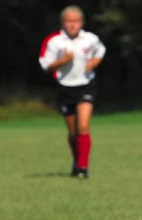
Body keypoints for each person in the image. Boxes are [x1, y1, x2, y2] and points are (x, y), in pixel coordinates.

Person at [38, 5, 105, 179]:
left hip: (86, 85)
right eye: (69, 21)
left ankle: (83, 167)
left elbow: (101, 51)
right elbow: (46, 65)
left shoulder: (90, 39)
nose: (72, 25)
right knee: (73, 132)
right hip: (65, 88)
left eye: (76, 21)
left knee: (83, 126)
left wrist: (94, 62)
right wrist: (63, 61)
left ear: (81, 22)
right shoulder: (54, 42)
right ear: (63, 23)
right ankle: (77, 161)